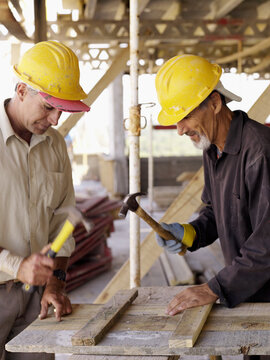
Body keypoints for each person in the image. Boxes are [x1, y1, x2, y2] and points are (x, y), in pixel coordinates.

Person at [155, 54, 270, 360]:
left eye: (186, 116)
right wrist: (190, 232)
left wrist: (215, 287)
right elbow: (215, 212)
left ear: (216, 103)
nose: (180, 129)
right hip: (251, 295)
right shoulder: (212, 148)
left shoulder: (259, 150)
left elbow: (268, 242)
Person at [0, 40, 90, 360]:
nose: (55, 120)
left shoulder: (54, 146)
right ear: (22, 90)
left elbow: (62, 221)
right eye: (48, 107)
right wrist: (16, 266)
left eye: (61, 110)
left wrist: (55, 283)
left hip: (37, 297)